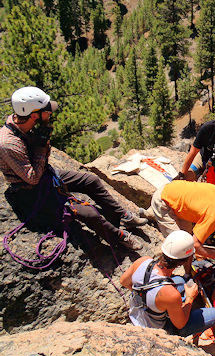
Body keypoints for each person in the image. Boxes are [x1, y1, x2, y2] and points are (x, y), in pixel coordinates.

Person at [0, 86, 147, 250]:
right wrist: (41, 146)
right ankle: (119, 237)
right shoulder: (9, 143)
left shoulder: (25, 126)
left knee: (90, 180)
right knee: (87, 213)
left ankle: (121, 215)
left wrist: (42, 142)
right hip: (30, 191)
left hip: (45, 176)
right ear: (34, 115)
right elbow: (32, 178)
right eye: (46, 111)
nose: (50, 114)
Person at [120, 230, 215, 336]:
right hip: (156, 329)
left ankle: (163, 306)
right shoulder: (171, 294)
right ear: (184, 261)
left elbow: (124, 281)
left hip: (138, 315)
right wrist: (190, 298)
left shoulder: (143, 261)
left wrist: (145, 295)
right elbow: (180, 324)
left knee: (181, 281)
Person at [142, 180, 215, 264]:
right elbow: (194, 245)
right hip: (163, 201)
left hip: (171, 189)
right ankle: (169, 264)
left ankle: (154, 214)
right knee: (180, 245)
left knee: (187, 235)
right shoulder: (213, 217)